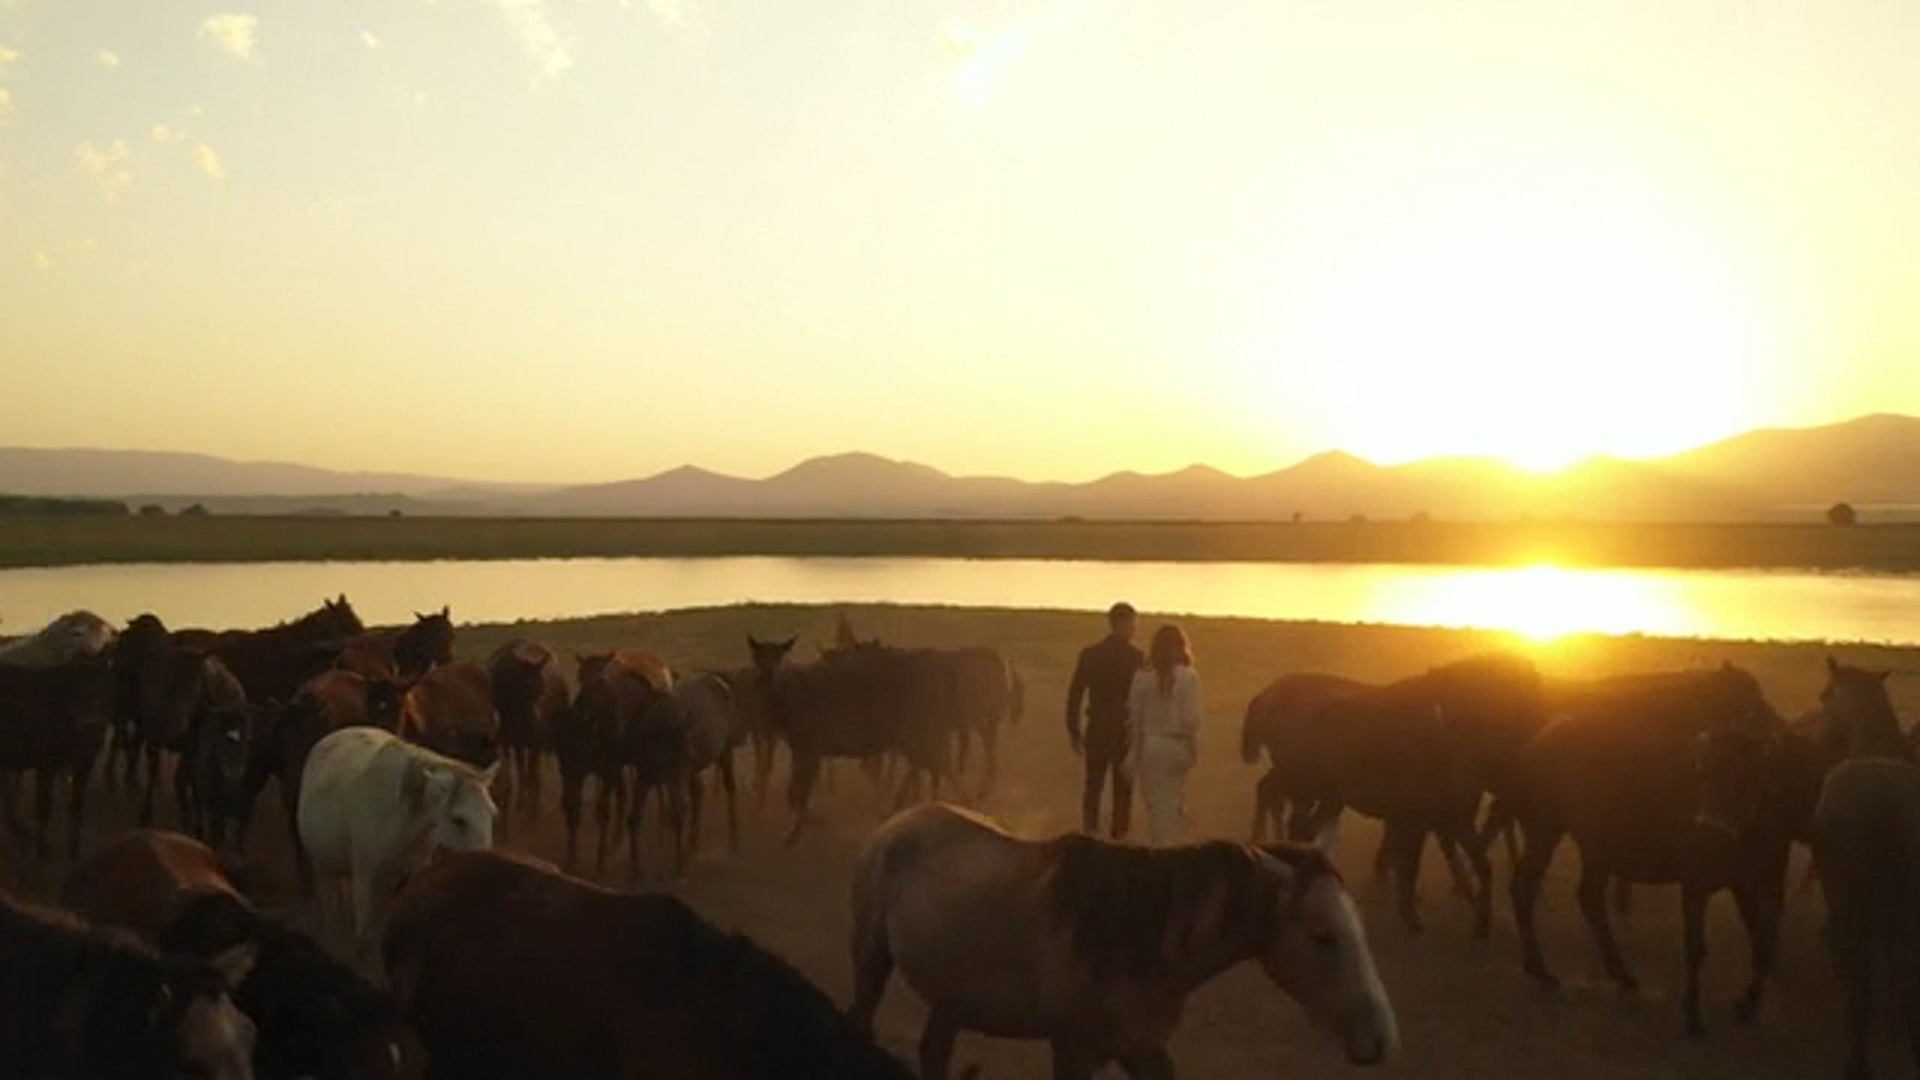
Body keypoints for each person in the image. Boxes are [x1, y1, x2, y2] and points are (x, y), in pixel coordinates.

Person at [1064, 601, 1143, 838]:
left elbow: (1075, 694)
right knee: (1123, 789)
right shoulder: (1137, 658)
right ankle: (1119, 837)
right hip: (1124, 731)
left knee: (1093, 786)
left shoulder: (1090, 655)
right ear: (1121, 624)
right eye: (1132, 624)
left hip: (1097, 727)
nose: (1134, 629)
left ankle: (1090, 833)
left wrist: (1073, 729)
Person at [1127, 624, 1202, 846]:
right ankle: (1168, 846)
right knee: (1173, 803)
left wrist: (1133, 755)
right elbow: (1191, 719)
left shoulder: (1142, 676)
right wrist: (1193, 749)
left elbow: (1135, 718)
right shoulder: (1189, 677)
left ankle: (1161, 846)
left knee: (1155, 807)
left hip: (1151, 745)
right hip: (1178, 745)